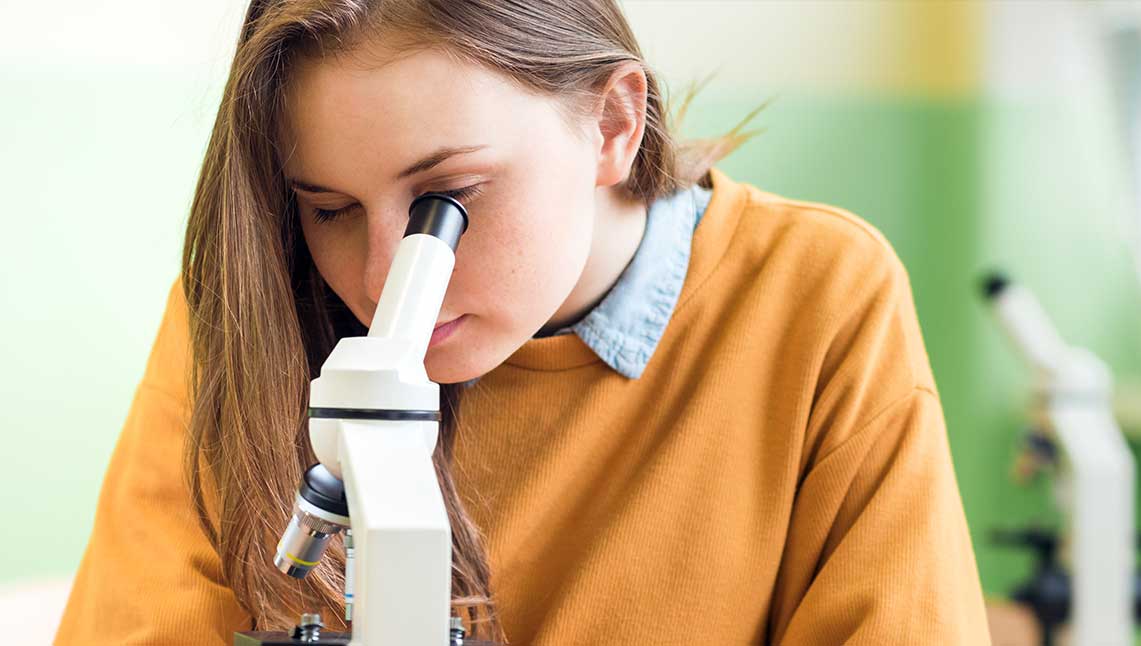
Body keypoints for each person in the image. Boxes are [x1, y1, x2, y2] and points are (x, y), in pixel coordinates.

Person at [54, 1, 988, 643]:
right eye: (329, 210)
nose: (383, 282)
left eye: (448, 199)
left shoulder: (815, 298)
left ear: (615, 122)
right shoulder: (251, 303)